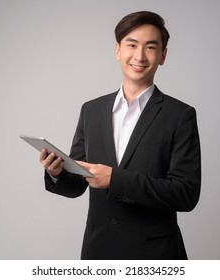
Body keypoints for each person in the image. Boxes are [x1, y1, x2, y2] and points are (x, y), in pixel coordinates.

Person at [40, 11, 201, 260]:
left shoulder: (180, 115)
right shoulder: (91, 110)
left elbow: (186, 194)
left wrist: (116, 179)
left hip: (155, 255)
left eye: (150, 47)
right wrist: (57, 172)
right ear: (117, 51)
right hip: (99, 251)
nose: (139, 56)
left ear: (163, 56)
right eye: (131, 45)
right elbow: (77, 185)